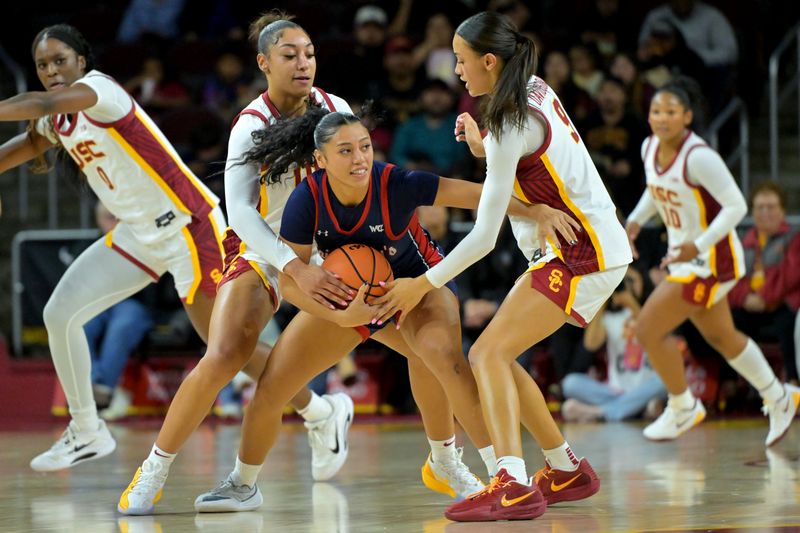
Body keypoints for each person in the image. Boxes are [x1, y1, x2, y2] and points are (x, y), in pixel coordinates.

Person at [0, 23, 332, 480]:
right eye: (42, 65)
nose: (52, 71)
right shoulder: (57, 120)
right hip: (138, 236)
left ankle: (319, 411)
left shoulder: (99, 90)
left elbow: (44, 102)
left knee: (227, 349)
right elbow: (33, 139)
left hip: (189, 228)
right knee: (60, 313)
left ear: (82, 61)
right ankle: (86, 428)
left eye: (60, 60)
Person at [373, 11, 633, 521]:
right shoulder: (529, 90)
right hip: (584, 245)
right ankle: (564, 468)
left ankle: (511, 483)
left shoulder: (508, 124)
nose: (456, 70)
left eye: (462, 59)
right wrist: (484, 148)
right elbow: (524, 161)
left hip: (582, 253)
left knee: (487, 355)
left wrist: (419, 285)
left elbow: (484, 239)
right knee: (501, 358)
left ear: (489, 61)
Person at [116, 14, 361, 515]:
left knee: (420, 330)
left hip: (329, 245)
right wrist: (290, 267)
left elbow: (360, 181)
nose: (303, 63)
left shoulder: (336, 110)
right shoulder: (250, 125)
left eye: (309, 53)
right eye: (289, 55)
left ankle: (456, 461)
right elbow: (241, 213)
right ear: (263, 63)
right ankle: (154, 470)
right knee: (224, 352)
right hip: (264, 246)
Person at [626, 77, 800, 445]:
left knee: (647, 329)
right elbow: (657, 192)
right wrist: (636, 221)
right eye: (656, 110)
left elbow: (736, 204)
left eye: (671, 112)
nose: (661, 118)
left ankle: (683, 405)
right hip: (686, 259)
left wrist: (699, 244)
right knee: (721, 335)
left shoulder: (699, 156)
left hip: (710, 261)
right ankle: (780, 396)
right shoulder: (648, 147)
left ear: (687, 117)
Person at [561, 264, 667, 422]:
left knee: (663, 381)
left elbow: (653, 337)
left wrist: (631, 304)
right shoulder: (609, 318)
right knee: (570, 383)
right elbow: (590, 344)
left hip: (646, 384)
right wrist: (602, 301)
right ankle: (635, 407)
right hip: (616, 389)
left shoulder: (650, 311)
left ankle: (602, 411)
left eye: (631, 280)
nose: (625, 285)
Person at [84, 202, 154, 415]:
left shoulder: (143, 242)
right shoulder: (86, 246)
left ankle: (102, 391)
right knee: (81, 325)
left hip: (133, 302)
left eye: (118, 216)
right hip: (98, 305)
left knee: (123, 325)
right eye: (109, 217)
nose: (114, 222)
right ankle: (96, 383)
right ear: (98, 220)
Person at [728, 182, 800, 383]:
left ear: (782, 211)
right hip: (751, 305)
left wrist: (764, 298)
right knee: (727, 321)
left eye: (771, 207)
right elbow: (732, 277)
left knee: (788, 323)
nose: (765, 212)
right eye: (760, 207)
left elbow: (791, 276)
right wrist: (744, 298)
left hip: (782, 305)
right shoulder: (745, 240)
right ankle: (731, 384)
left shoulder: (794, 237)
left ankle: (793, 381)